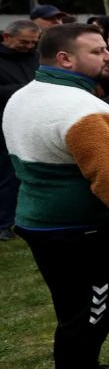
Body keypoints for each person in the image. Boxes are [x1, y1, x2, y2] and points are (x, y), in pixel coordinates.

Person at [5, 23, 109, 369]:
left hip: (39, 220)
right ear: (65, 58)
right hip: (80, 229)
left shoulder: (26, 94)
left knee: (72, 307)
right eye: (97, 51)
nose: (108, 55)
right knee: (90, 311)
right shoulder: (81, 110)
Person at [0, 19, 43, 239]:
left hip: (33, 123)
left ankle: (24, 218)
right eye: (24, 42)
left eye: (33, 42)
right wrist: (27, 89)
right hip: (4, 124)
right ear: (7, 37)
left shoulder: (37, 57)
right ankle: (3, 223)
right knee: (6, 176)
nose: (29, 46)